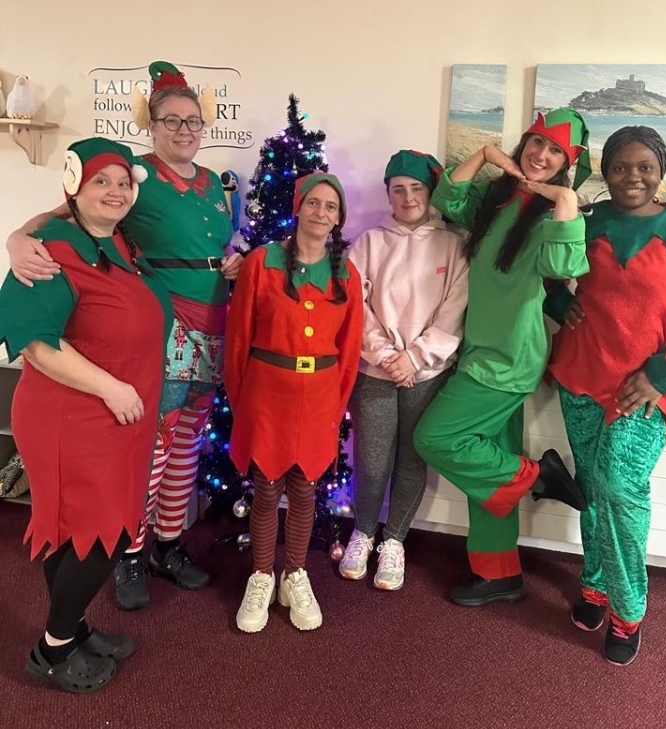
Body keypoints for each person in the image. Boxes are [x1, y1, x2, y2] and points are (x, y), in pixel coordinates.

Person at [6, 61, 240, 611]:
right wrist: (17, 237)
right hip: (167, 326)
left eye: (193, 120)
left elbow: (207, 244)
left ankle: (167, 544)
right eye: (172, 120)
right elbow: (63, 213)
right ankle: (129, 551)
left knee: (187, 443)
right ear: (151, 126)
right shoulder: (133, 177)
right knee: (152, 445)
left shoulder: (212, 183)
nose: (184, 130)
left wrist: (230, 262)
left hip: (213, 325)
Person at [0, 138, 173, 692]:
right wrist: (111, 388)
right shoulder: (49, 252)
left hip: (117, 417)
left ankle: (71, 629)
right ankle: (52, 651)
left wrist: (18, 230)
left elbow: (57, 213)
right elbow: (36, 343)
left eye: (123, 182)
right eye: (101, 181)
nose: (115, 191)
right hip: (72, 416)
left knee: (82, 529)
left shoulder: (116, 240)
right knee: (101, 534)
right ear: (75, 185)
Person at [545, 126, 666, 666]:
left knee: (620, 486)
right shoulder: (583, 221)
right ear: (606, 171)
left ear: (660, 170)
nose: (633, 177)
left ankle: (628, 610)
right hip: (582, 374)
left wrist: (662, 376)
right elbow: (545, 267)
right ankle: (595, 585)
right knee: (593, 485)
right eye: (621, 167)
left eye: (645, 167)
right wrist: (557, 299)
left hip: (648, 388)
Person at [413, 108, 593, 607]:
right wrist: (487, 154)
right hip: (480, 349)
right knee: (488, 468)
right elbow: (448, 198)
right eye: (536, 143)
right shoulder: (498, 199)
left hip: (509, 360)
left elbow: (562, 264)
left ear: (566, 164)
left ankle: (537, 477)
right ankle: (500, 574)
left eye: (555, 152)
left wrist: (565, 198)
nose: (541, 155)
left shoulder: (553, 214)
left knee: (435, 437)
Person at [226, 172, 363, 633]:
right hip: (266, 394)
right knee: (266, 487)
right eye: (314, 203)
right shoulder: (261, 263)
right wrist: (242, 402)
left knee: (304, 489)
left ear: (339, 218)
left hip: (319, 396)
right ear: (298, 207)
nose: (321, 212)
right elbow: (238, 339)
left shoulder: (347, 275)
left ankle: (295, 575)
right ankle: (261, 576)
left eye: (331, 206)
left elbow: (349, 350)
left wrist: (334, 407)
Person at [338, 150, 468, 590]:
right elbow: (355, 306)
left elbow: (454, 309)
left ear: (430, 192)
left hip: (426, 372)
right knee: (372, 462)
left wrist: (415, 357)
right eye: (399, 190)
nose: (408, 197)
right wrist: (385, 355)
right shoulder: (368, 243)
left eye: (416, 188)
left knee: (411, 459)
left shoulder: (452, 245)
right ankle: (363, 532)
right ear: (388, 194)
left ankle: (394, 539)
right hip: (376, 370)